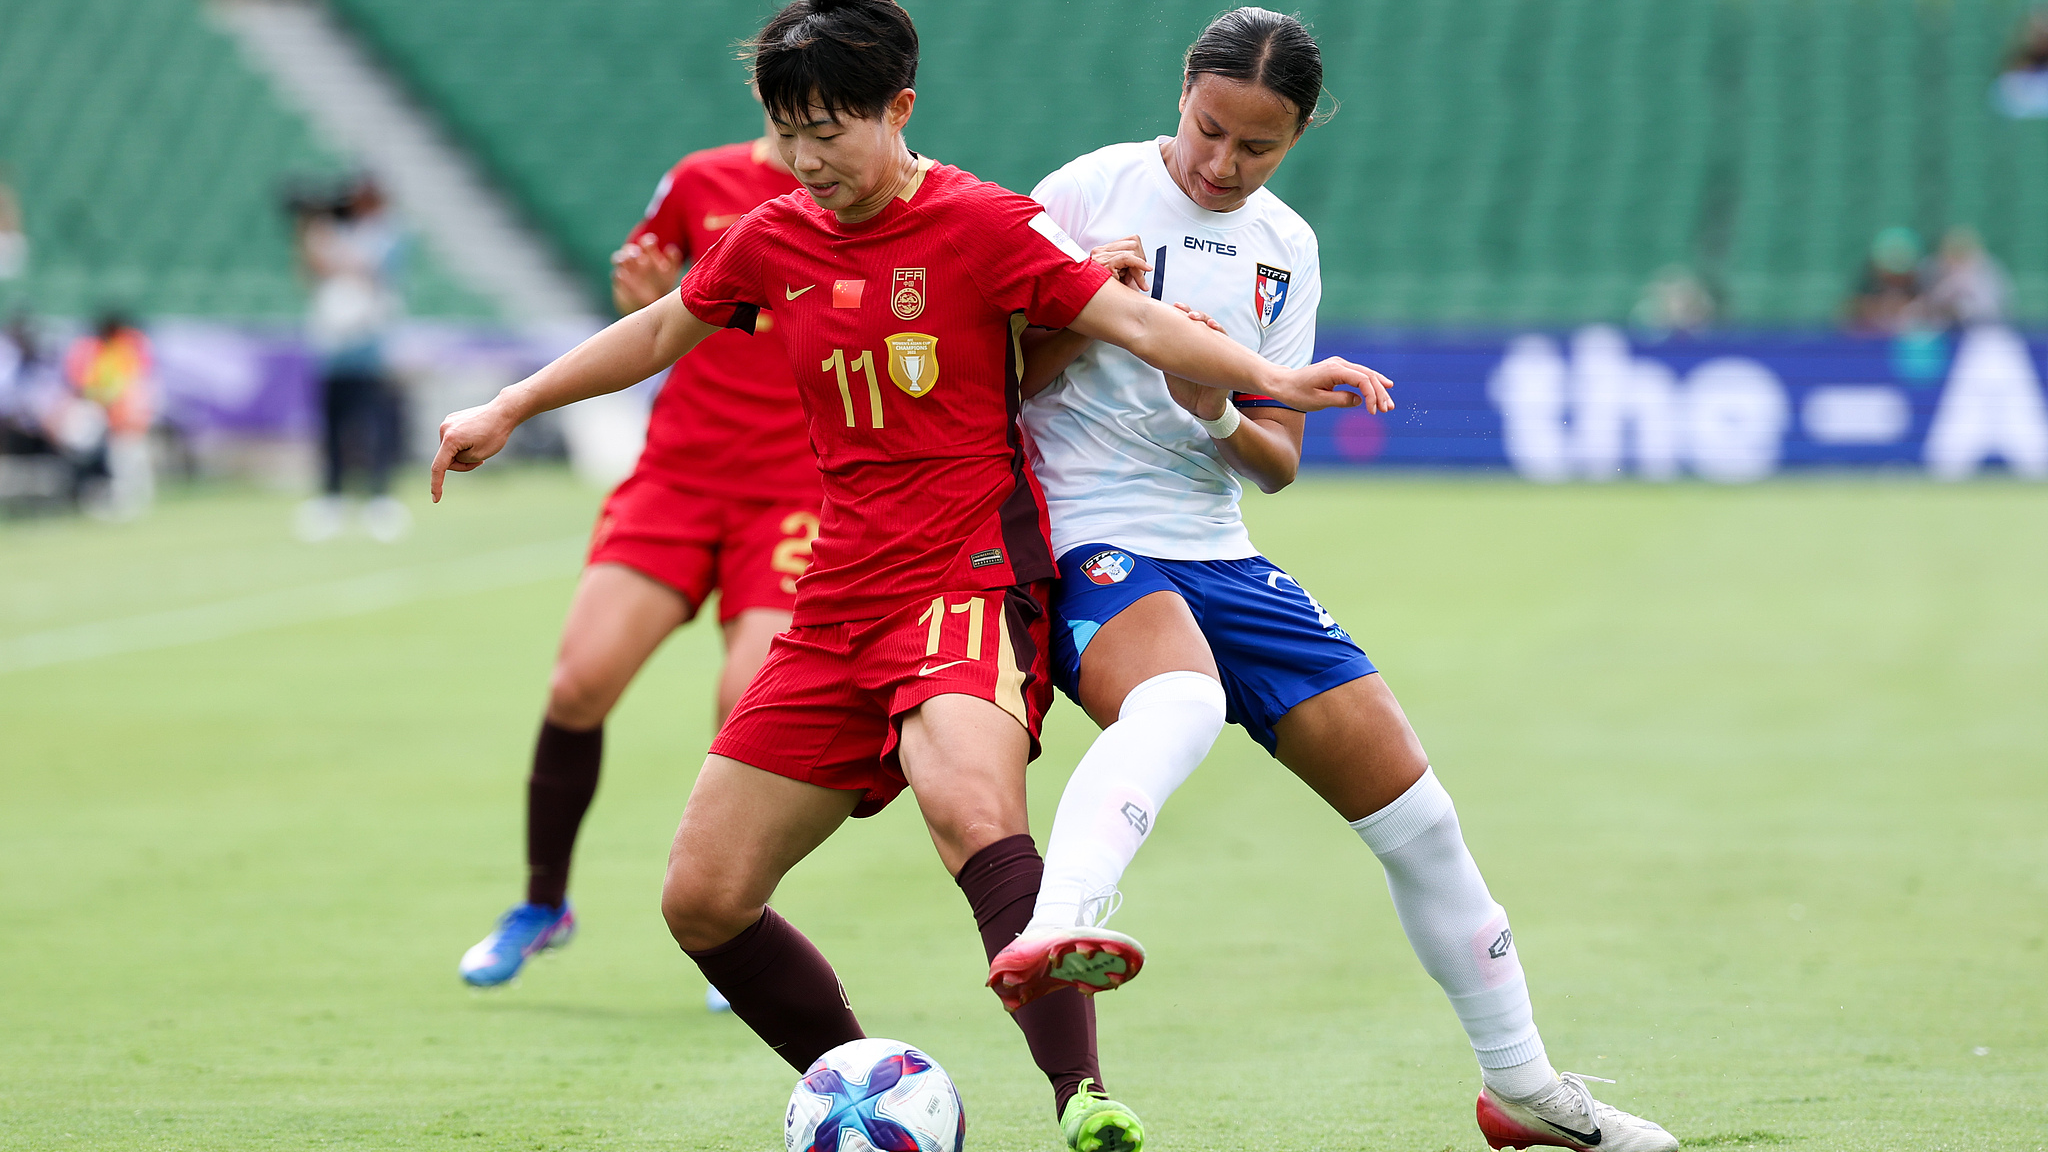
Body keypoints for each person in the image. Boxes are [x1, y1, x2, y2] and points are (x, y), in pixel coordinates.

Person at [428, 3, 1384, 1146]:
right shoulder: (773, 234)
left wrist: (1275, 383)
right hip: (837, 596)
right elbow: (653, 333)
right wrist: (509, 402)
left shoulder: (986, 224)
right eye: (786, 132)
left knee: (969, 811)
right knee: (702, 899)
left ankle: (1081, 1100)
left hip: (968, 580)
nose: (804, 159)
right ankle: (863, 1094)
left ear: (899, 110)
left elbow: (1142, 326)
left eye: (828, 130)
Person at [983, 10, 1679, 1152]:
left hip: (1220, 554)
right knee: (1178, 702)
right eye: (1209, 131)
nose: (1221, 164)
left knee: (1422, 823)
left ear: (1296, 138)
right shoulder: (1082, 194)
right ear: (1181, 98)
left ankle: (1523, 1090)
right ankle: (1060, 925)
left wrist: (1211, 406)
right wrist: (1086, 312)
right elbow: (984, 380)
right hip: (1086, 540)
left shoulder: (1284, 246)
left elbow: (1276, 462)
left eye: (1256, 147)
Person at [457, 117, 821, 993]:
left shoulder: (857, 196)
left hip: (793, 489)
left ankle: (732, 918)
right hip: (681, 472)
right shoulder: (700, 180)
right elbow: (648, 306)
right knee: (579, 682)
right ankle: (544, 904)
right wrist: (649, 295)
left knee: (748, 699)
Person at [292, 175, 411, 543]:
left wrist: (328, 238)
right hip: (331, 351)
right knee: (331, 428)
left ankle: (378, 497)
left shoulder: (387, 235)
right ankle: (332, 497)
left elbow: (366, 268)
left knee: (372, 426)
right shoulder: (334, 234)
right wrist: (311, 227)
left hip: (368, 349)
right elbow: (312, 270)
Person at [62, 310, 155, 519]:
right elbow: (88, 385)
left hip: (124, 417)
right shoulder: (101, 349)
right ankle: (118, 503)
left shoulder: (127, 347)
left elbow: (129, 385)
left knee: (128, 462)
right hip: (110, 415)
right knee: (116, 461)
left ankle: (132, 504)